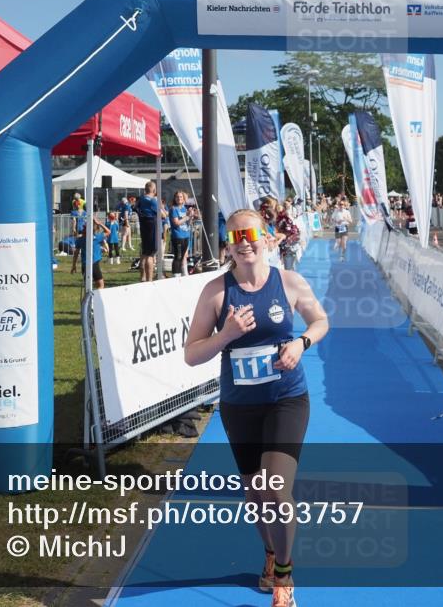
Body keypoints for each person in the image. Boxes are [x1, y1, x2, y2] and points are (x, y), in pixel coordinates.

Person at [184, 208, 329, 607]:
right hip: (240, 407)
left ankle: (284, 573)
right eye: (235, 236)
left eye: (251, 234)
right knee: (255, 493)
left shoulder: (290, 282)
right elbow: (191, 355)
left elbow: (320, 321)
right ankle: (269, 555)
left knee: (276, 488)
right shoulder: (216, 292)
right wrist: (226, 334)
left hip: (286, 400)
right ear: (228, 244)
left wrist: (301, 344)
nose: (244, 242)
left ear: (267, 238)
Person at [136, 181, 167, 282]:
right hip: (152, 227)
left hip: (143, 226)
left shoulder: (141, 199)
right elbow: (164, 215)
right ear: (154, 190)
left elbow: (136, 208)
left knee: (144, 253)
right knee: (150, 255)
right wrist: (161, 205)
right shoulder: (152, 201)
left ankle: (142, 277)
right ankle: (149, 279)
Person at [70, 218, 110, 289]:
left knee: (87, 287)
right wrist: (99, 223)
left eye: (84, 228)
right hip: (94, 264)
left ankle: (89, 299)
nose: (82, 229)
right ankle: (95, 299)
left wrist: (74, 265)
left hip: (84, 265)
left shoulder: (80, 240)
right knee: (101, 285)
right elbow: (108, 231)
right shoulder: (97, 238)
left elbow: (76, 254)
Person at [169, 191, 193, 277]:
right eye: (177, 197)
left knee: (184, 256)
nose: (179, 198)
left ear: (183, 199)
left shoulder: (184, 209)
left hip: (186, 235)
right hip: (178, 236)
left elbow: (188, 223)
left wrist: (190, 216)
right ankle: (176, 275)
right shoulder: (173, 209)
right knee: (178, 257)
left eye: (181, 197)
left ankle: (184, 274)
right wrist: (186, 217)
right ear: (175, 198)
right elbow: (176, 223)